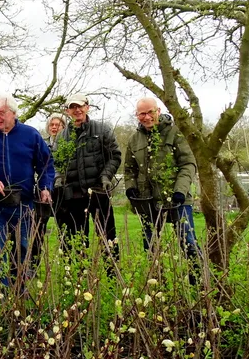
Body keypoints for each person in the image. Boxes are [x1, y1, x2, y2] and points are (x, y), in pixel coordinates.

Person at [0, 95, 54, 288]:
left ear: (13, 114)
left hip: (22, 202)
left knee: (21, 246)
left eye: (1, 113)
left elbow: (46, 165)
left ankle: (19, 291)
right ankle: (5, 291)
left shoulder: (31, 135)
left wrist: (45, 187)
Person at [124, 97, 201, 284]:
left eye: (150, 112)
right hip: (148, 201)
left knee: (188, 242)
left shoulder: (175, 133)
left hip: (177, 200)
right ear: (137, 115)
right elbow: (129, 169)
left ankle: (198, 282)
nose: (146, 117)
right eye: (142, 113)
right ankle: (158, 285)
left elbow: (188, 164)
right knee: (150, 245)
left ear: (158, 111)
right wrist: (131, 188)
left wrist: (180, 191)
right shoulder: (134, 139)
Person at [54, 94, 122, 265]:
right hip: (74, 196)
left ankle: (113, 275)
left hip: (99, 192)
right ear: (67, 111)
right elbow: (55, 163)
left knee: (108, 237)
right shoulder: (62, 137)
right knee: (77, 240)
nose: (77, 110)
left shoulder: (102, 130)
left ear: (87, 107)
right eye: (72, 107)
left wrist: (106, 176)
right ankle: (78, 281)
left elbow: (115, 156)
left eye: (80, 106)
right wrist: (59, 178)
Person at [31, 113, 66, 267]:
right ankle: (33, 263)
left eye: (58, 125)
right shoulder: (42, 144)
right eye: (51, 125)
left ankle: (66, 263)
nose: (54, 127)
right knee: (38, 228)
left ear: (64, 127)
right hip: (44, 190)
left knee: (64, 228)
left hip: (62, 191)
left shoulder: (67, 145)